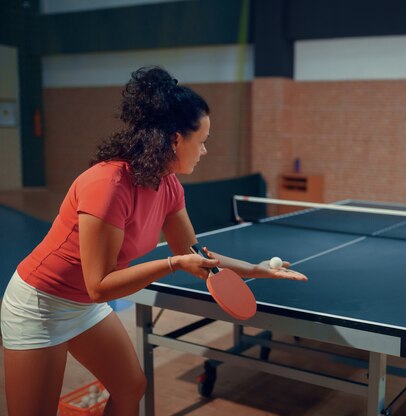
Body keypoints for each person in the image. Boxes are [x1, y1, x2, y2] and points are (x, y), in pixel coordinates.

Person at [0, 66, 307, 415]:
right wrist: (173, 264)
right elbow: (100, 286)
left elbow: (191, 253)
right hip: (41, 303)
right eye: (202, 141)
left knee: (131, 386)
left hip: (82, 304)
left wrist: (256, 269)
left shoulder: (168, 184)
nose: (204, 151)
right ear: (176, 139)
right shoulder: (109, 185)